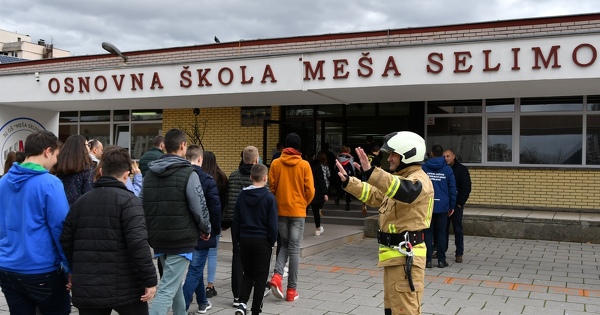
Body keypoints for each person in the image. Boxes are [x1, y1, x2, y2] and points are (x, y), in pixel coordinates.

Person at [335, 131, 433, 315]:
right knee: (392, 310)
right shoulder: (400, 179)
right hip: (395, 260)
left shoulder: (419, 180)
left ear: (408, 154)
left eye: (393, 154)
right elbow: (374, 195)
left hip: (406, 259)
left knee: (405, 311)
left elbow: (405, 191)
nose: (389, 159)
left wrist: (372, 172)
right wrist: (350, 182)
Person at [60, 146, 157, 315]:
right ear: (127, 174)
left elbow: (66, 239)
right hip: (127, 285)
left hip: (88, 284)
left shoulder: (81, 202)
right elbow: (138, 243)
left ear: (102, 171)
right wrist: (149, 279)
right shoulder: (130, 202)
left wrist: (74, 269)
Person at [0, 130, 72, 314]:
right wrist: (70, 266)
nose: (56, 162)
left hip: (8, 268)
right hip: (42, 269)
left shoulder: (3, 181)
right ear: (47, 151)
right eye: (56, 155)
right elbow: (61, 229)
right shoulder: (50, 183)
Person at [141, 128, 211, 315]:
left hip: (158, 238)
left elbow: (142, 204)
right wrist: (206, 228)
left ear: (164, 146)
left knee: (174, 284)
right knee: (167, 288)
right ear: (183, 146)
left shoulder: (149, 174)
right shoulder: (189, 173)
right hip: (181, 239)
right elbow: (199, 206)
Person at [268, 133, 315, 302]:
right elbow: (310, 190)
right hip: (297, 211)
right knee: (294, 248)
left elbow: (271, 187)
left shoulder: (275, 163)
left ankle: (277, 275)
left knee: (285, 244)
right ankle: (291, 290)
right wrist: (303, 204)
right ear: (299, 147)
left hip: (280, 211)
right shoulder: (304, 165)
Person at [233, 163, 278, 315]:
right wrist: (271, 241)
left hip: (245, 239)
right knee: (260, 278)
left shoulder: (242, 195)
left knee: (248, 273)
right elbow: (272, 224)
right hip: (262, 240)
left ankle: (242, 304)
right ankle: (255, 310)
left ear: (251, 177)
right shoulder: (269, 198)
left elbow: (236, 220)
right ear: (265, 178)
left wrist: (238, 239)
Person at [182, 145, 221, 314]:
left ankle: (203, 302)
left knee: (196, 267)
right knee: (195, 269)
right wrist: (215, 230)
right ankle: (181, 307)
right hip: (202, 232)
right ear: (200, 159)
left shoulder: (180, 177)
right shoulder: (207, 180)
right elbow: (214, 208)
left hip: (183, 229)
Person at [224, 145, 260, 307]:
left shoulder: (233, 176)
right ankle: (252, 292)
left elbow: (231, 204)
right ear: (256, 160)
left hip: (237, 223)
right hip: (255, 223)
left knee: (237, 256)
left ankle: (237, 295)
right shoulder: (259, 177)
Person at [422, 144, 456, 269]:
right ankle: (441, 260)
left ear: (431, 153)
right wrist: (452, 206)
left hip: (427, 206)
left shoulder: (424, 168)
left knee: (428, 233)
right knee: (441, 233)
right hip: (443, 206)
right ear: (442, 155)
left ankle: (428, 260)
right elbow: (452, 189)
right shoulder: (447, 169)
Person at [201, 151, 229, 299]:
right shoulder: (222, 178)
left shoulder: (198, 177)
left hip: (199, 222)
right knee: (213, 254)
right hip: (215, 221)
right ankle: (210, 285)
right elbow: (224, 202)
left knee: (198, 255)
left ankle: (197, 283)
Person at [443, 149, 472, 263]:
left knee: (458, 229)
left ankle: (459, 253)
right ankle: (441, 250)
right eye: (444, 156)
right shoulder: (442, 169)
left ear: (453, 156)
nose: (446, 158)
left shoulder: (461, 169)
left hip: (456, 205)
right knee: (442, 230)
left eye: (448, 156)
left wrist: (460, 203)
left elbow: (466, 187)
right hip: (444, 205)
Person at [53, 134, 95, 206]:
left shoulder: (58, 167)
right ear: (82, 147)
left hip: (59, 208)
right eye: (87, 145)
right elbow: (89, 195)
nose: (89, 148)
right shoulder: (87, 170)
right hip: (79, 211)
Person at [308, 150, 329, 236]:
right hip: (316, 192)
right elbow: (321, 179)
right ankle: (317, 229)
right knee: (316, 211)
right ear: (314, 156)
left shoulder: (303, 164)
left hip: (305, 191)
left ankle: (300, 232)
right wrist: (325, 192)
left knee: (303, 212)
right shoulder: (317, 166)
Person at [335, 145, 355, 210]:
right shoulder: (350, 158)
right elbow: (352, 167)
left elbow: (335, 167)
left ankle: (338, 196)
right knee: (348, 189)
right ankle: (347, 204)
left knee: (340, 188)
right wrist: (354, 175)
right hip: (348, 175)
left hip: (339, 175)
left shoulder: (338, 157)